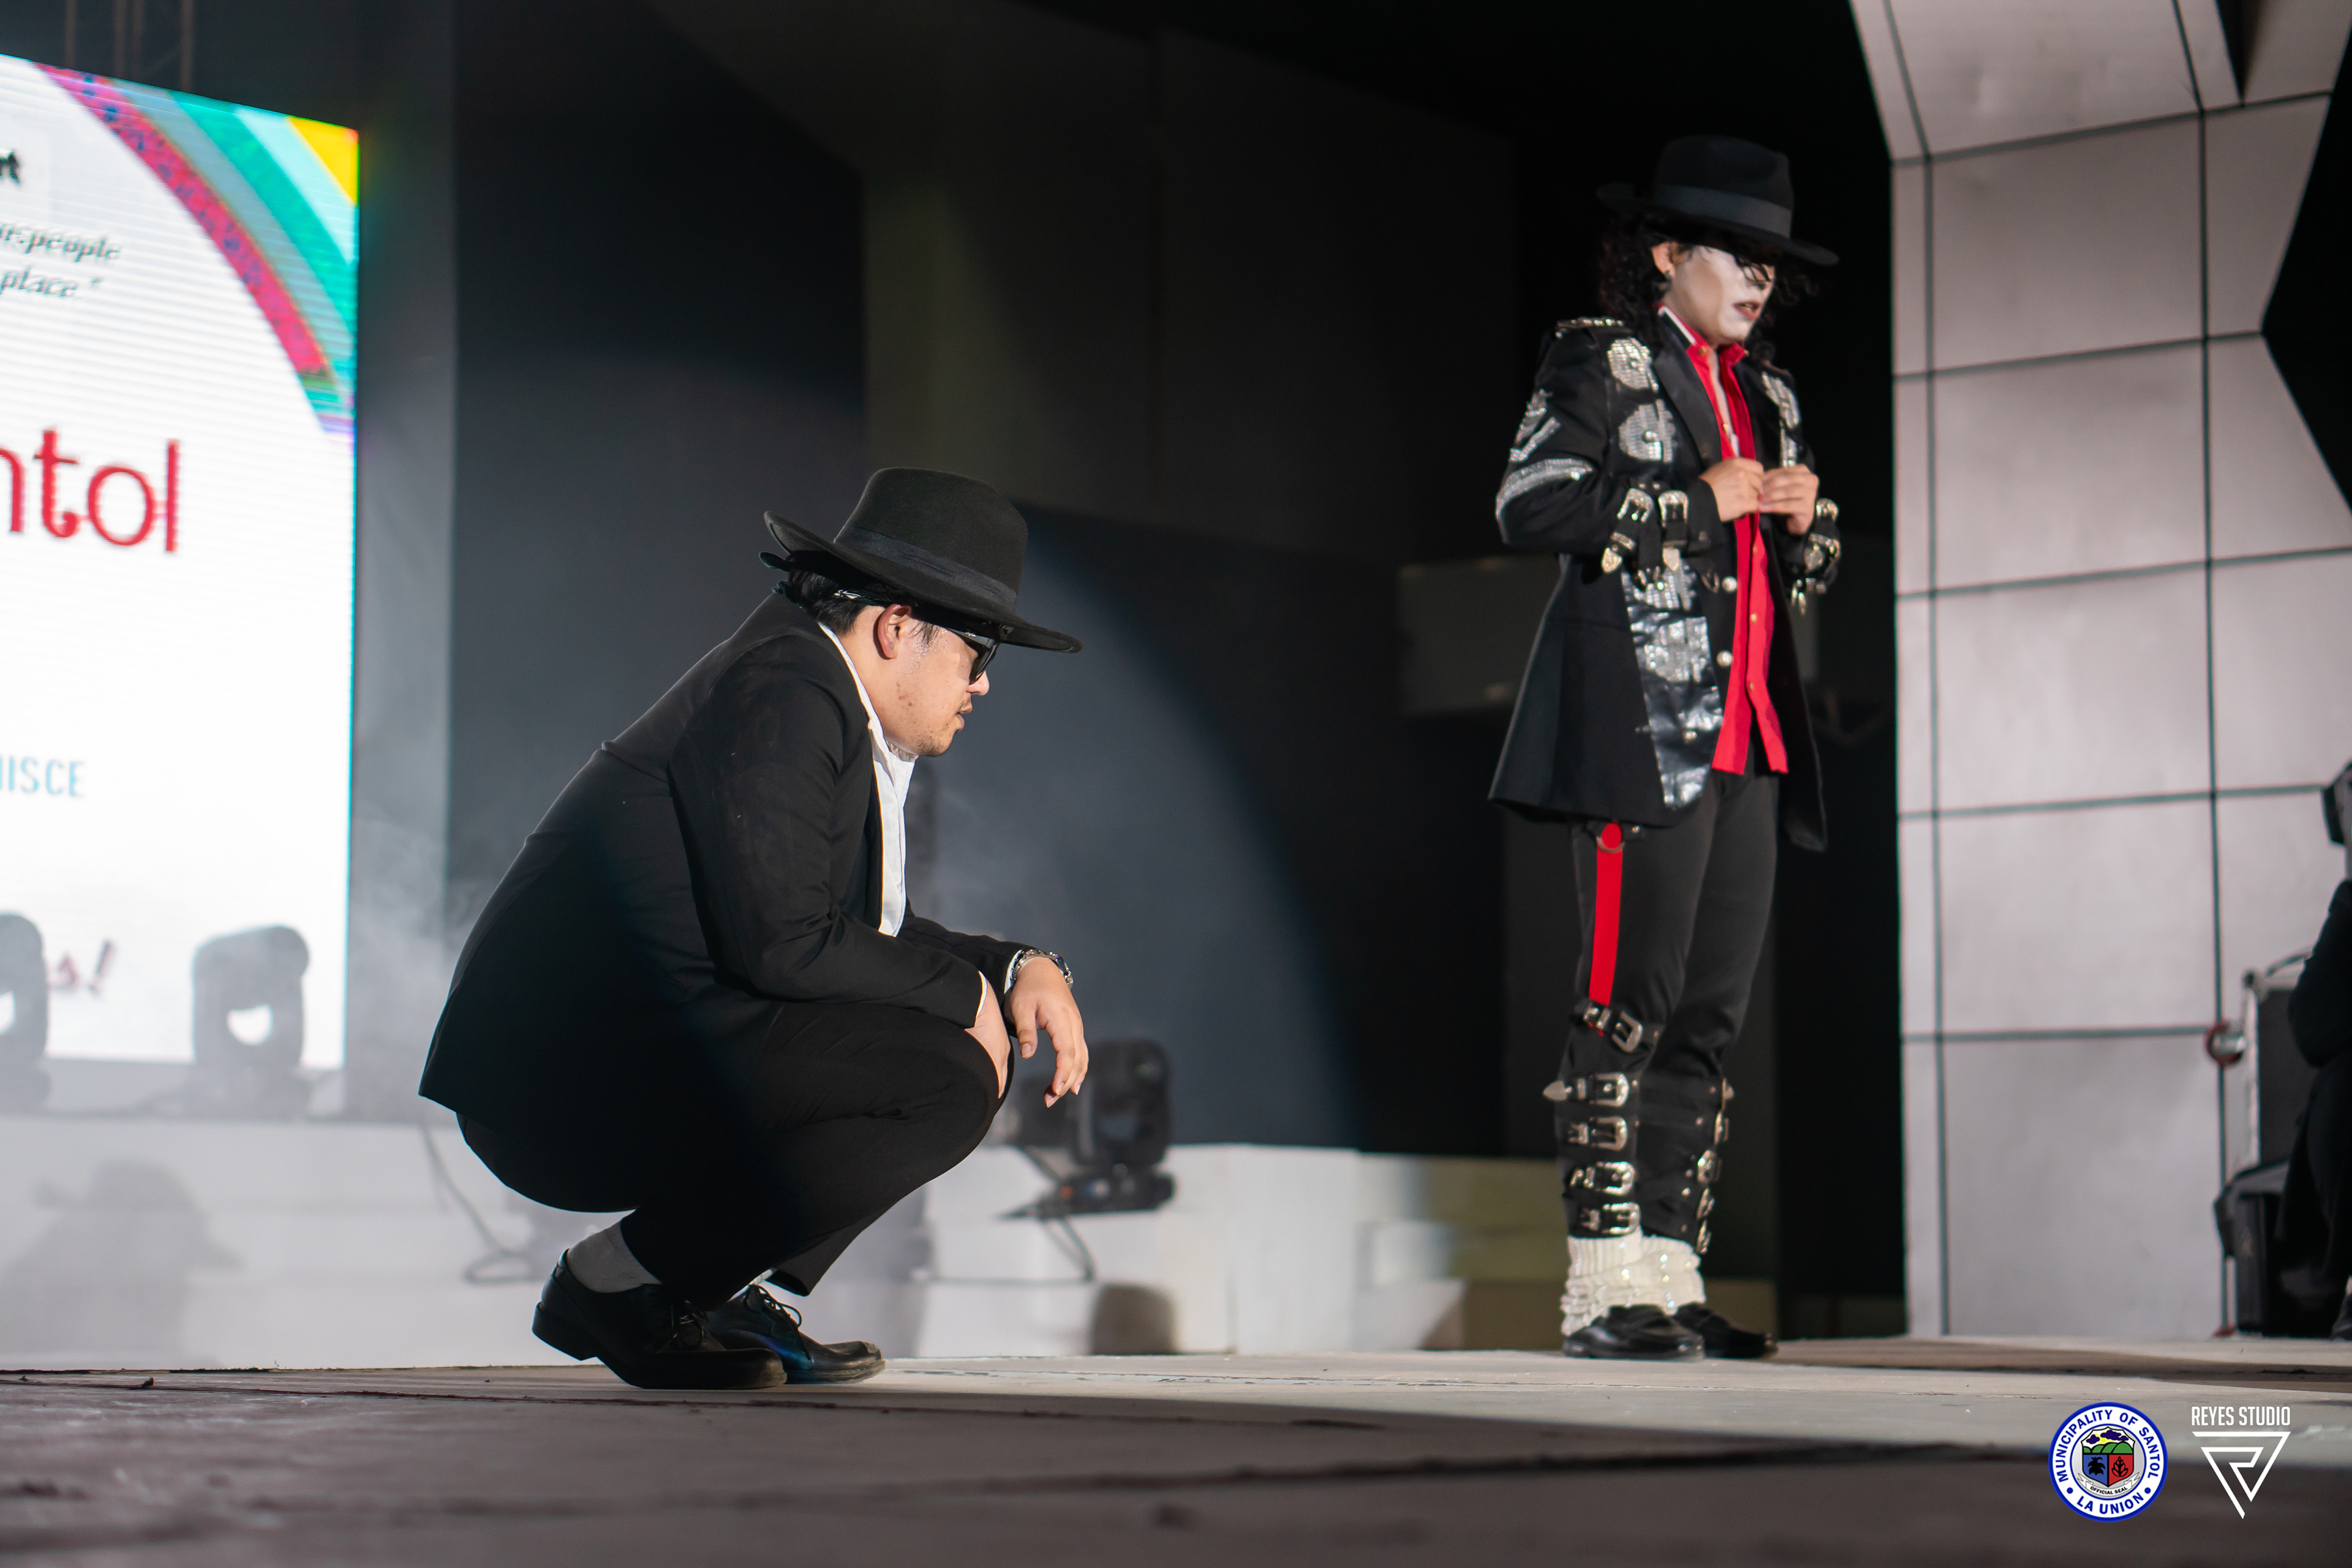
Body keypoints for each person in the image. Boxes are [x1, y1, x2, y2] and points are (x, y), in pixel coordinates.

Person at [420, 469, 1090, 1390]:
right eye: (980, 654)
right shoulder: (788, 686)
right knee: (945, 1072)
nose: (982, 685)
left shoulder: (803, 678)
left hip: (622, 1051)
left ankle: (700, 1283)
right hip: (560, 1077)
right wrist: (963, 993)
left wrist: (1015, 967)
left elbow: (848, 928)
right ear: (898, 628)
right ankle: (621, 1284)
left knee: (948, 1043)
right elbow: (786, 942)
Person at [1490, 135, 1842, 1360]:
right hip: (1642, 730)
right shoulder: (1601, 356)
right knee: (1625, 1005)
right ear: (1666, 255)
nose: (1758, 279)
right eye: (1737, 254)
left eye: (1770, 262)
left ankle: (1671, 1274)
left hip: (1753, 736)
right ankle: (1600, 1286)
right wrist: (1705, 500)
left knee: (1707, 1019)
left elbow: (1810, 566)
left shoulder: (1771, 394)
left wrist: (1805, 523)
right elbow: (1529, 501)